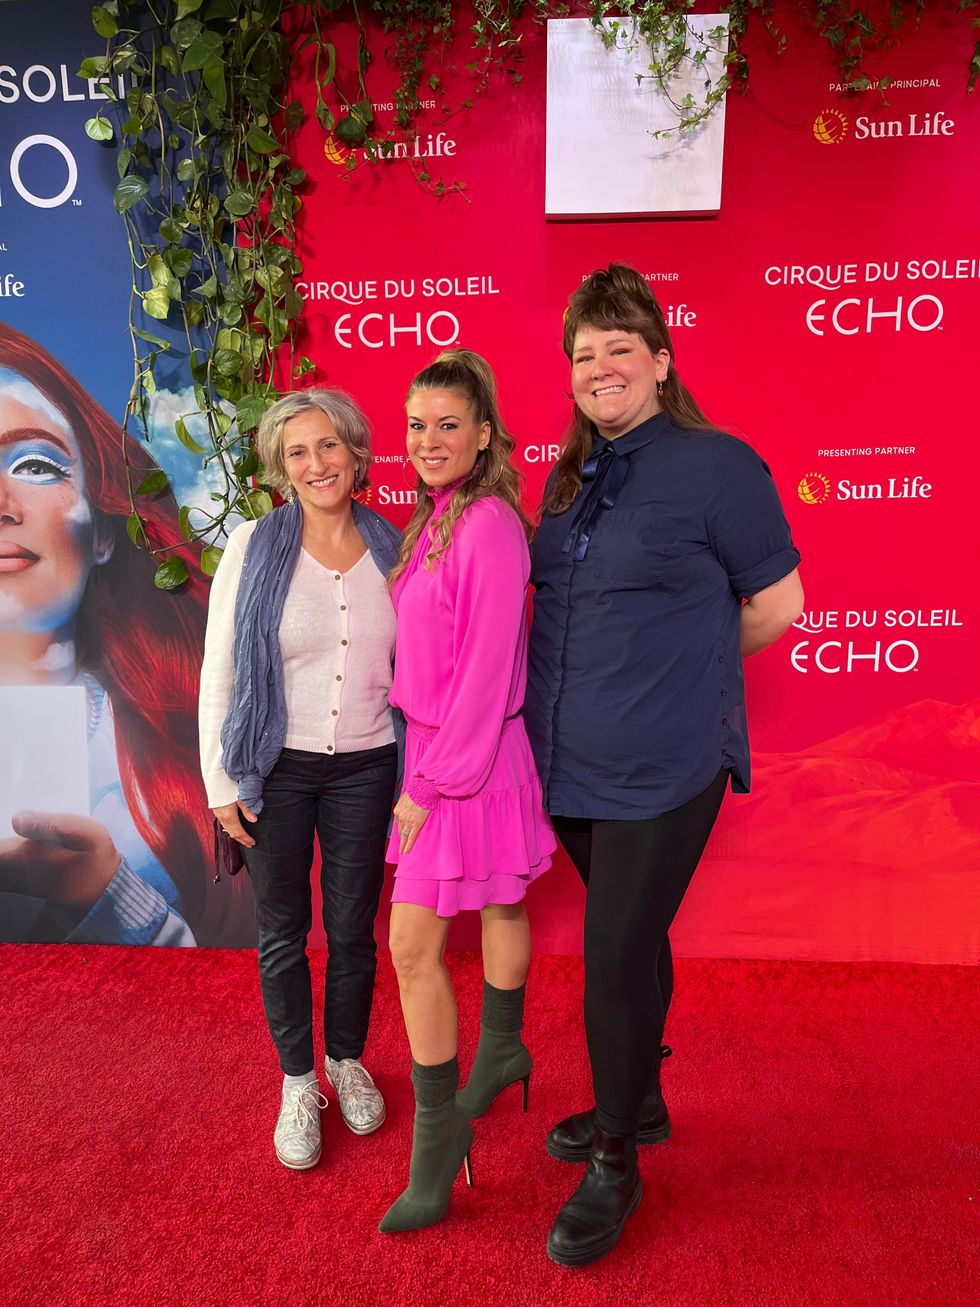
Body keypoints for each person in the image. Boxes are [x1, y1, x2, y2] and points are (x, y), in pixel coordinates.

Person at [526, 263, 804, 1267]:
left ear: (660, 360)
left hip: (663, 763)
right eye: (583, 354)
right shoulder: (566, 475)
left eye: (618, 348)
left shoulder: (719, 465)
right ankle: (638, 1099)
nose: (599, 367)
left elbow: (778, 605)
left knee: (610, 955)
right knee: (634, 941)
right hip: (565, 763)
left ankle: (615, 1159)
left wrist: (685, 673)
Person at [199, 388, 402, 1171]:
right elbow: (220, 666)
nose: (316, 463)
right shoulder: (253, 544)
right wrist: (221, 781)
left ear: (356, 453)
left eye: (328, 445)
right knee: (282, 931)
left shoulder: (395, 544)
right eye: (297, 452)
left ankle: (346, 1060)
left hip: (368, 765)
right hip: (275, 766)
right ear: (281, 469)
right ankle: (298, 1081)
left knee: (352, 929)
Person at [379, 349, 555, 1233]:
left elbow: (485, 669)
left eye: (448, 424)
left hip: (464, 757)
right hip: (451, 749)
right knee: (498, 902)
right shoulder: (437, 516)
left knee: (412, 947)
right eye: (417, 425)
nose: (429, 439)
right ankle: (502, 1050)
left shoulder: (485, 523)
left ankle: (440, 1136)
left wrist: (432, 780)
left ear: (484, 435)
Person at [0, 323, 233, 947]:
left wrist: (108, 897)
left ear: (103, 532)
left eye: (33, 464)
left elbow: (218, 989)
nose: (1, 503)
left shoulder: (183, 755)